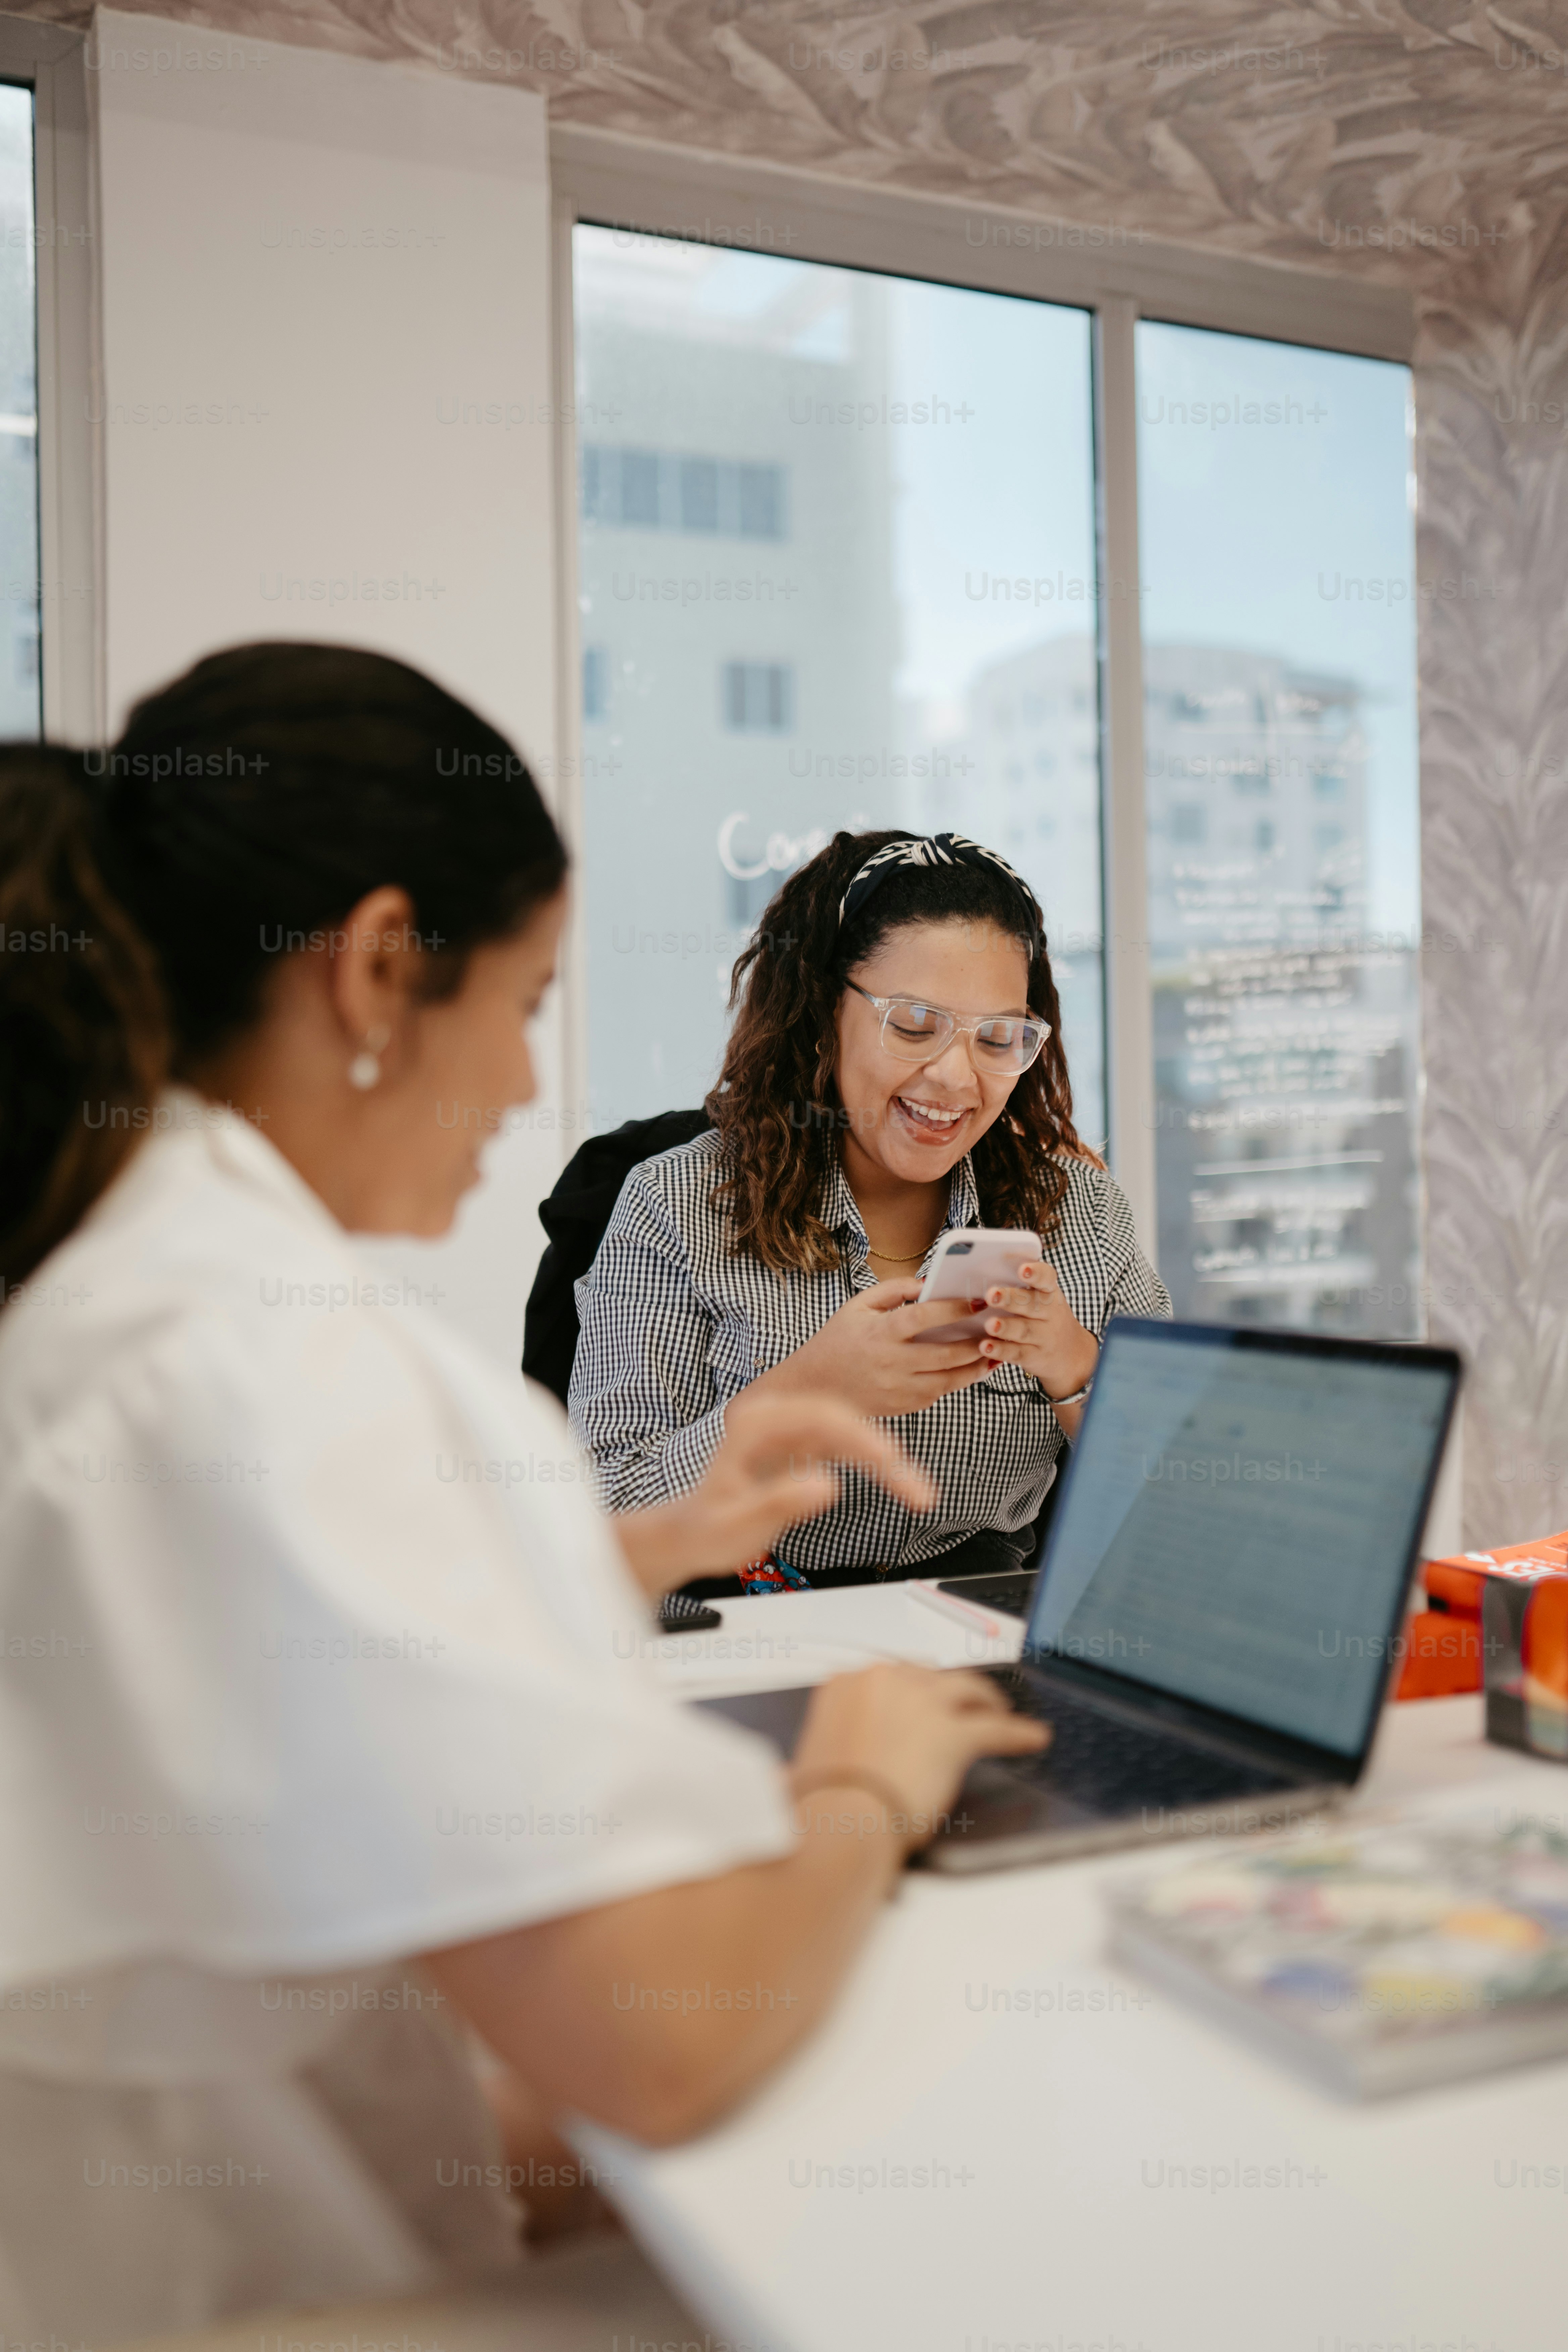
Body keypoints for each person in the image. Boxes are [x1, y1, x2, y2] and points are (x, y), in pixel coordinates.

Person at [0, 653, 1048, 2346]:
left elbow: (265, 1645)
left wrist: (626, 1543)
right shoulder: (261, 1355)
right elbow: (659, 2039)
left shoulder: (126, 1286)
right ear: (377, 968)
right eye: (522, 1001)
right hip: (247, 2285)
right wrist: (862, 1775)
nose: (513, 1091)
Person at [570, 830, 1171, 1592]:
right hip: (744, 1624)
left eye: (997, 1039)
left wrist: (1074, 1369)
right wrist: (812, 1390)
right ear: (826, 1012)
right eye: (914, 1027)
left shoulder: (1077, 1211)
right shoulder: (679, 1203)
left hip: (974, 1621)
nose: (955, 1079)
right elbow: (606, 1518)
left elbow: (1180, 1499)